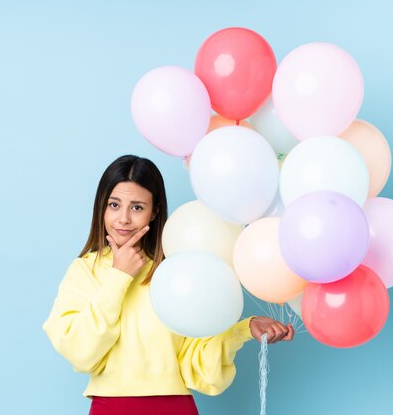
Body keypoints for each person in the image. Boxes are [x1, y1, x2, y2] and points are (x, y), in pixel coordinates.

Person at [42, 154, 294, 415]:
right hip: (110, 406)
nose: (124, 219)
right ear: (101, 207)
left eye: (137, 207)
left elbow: (196, 363)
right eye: (114, 205)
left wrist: (243, 329)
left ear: (155, 211)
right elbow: (80, 350)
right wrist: (119, 276)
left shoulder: (175, 271)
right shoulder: (84, 270)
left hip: (174, 406)